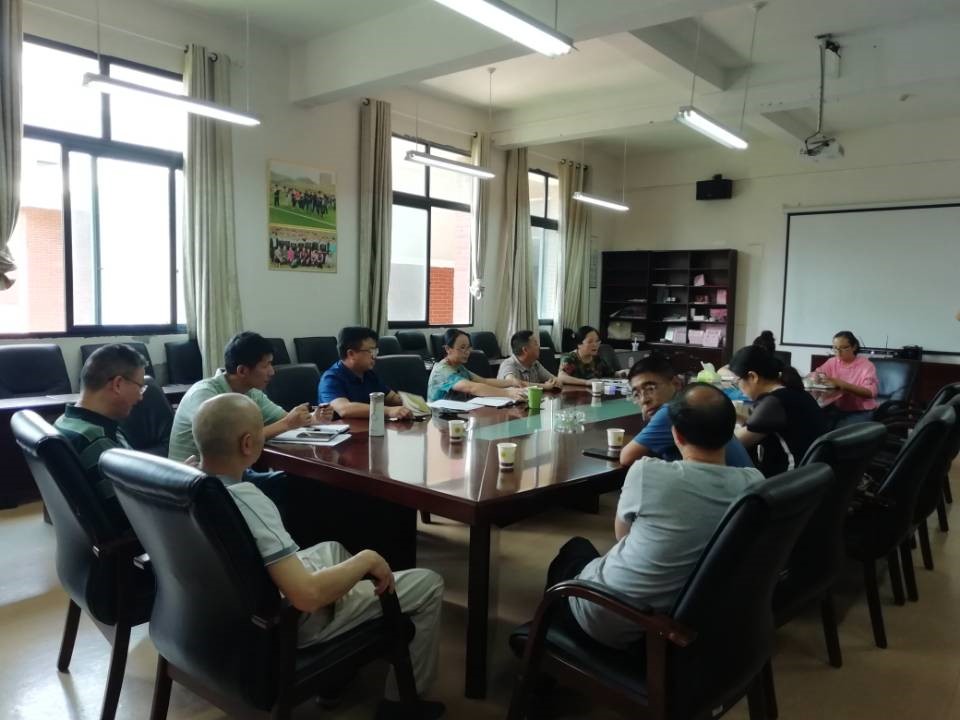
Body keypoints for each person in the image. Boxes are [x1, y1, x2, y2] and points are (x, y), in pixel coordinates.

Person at [192, 394, 445, 720]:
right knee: (429, 583)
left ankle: (338, 674)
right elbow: (307, 596)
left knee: (333, 549)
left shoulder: (190, 487)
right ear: (248, 444)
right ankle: (401, 705)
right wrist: (368, 559)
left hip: (225, 613)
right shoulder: (246, 501)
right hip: (289, 620)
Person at [545, 384, 764, 650]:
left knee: (572, 553)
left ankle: (544, 653)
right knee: (585, 554)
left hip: (618, 620)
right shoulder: (753, 482)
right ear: (730, 431)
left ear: (676, 434)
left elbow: (622, 535)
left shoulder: (648, 473)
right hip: (693, 621)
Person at [168, 331, 332, 462]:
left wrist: (313, 418)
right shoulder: (205, 395)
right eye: (265, 365)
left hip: (231, 473)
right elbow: (232, 443)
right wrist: (287, 424)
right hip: (196, 482)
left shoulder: (251, 392)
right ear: (242, 371)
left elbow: (285, 419)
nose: (272, 372)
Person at [54, 344, 147, 531]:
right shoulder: (97, 441)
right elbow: (130, 512)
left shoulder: (64, 422)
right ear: (118, 384)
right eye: (140, 387)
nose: (140, 397)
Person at [619, 353, 754, 468]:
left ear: (676, 383)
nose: (644, 400)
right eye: (637, 394)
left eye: (650, 389)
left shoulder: (671, 412)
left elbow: (626, 457)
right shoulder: (695, 405)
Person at [728, 345, 826, 477]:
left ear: (752, 377)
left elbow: (735, 444)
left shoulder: (773, 403)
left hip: (789, 481)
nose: (738, 387)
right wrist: (734, 416)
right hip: (811, 478)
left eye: (737, 382)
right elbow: (760, 425)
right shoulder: (791, 392)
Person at [318, 326, 413, 419]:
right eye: (371, 351)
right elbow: (344, 409)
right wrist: (388, 411)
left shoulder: (368, 374)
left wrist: (415, 404)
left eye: (375, 351)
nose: (374, 356)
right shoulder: (331, 379)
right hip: (346, 429)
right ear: (351, 354)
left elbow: (392, 398)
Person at [426, 329, 526, 403]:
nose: (467, 352)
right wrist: (508, 393)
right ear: (448, 349)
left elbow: (484, 381)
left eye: (468, 347)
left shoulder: (458, 366)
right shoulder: (442, 370)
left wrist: (512, 382)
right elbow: (472, 388)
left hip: (458, 414)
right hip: (439, 417)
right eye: (462, 348)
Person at [810, 330, 878, 428]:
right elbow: (817, 373)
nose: (838, 352)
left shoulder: (866, 365)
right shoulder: (832, 362)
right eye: (835, 348)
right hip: (836, 408)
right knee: (815, 424)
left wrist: (842, 384)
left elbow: (870, 393)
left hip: (860, 411)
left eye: (843, 348)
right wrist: (816, 377)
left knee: (840, 432)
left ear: (854, 347)